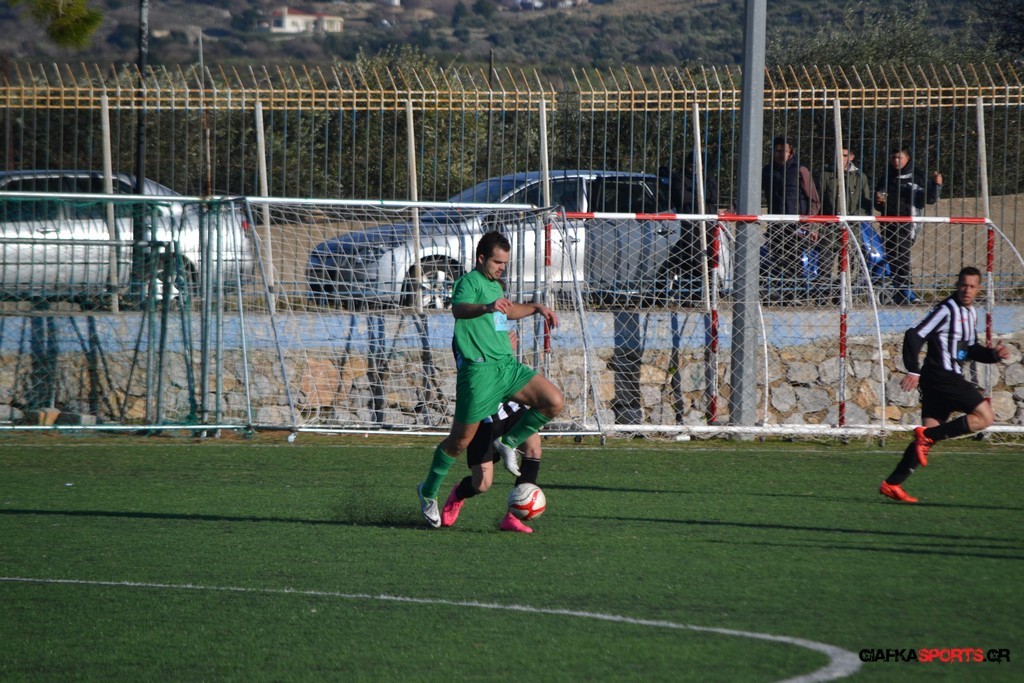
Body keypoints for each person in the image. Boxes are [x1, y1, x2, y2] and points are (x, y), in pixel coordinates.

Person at [417, 231, 564, 529]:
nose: (501, 268)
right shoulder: (468, 283)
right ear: (481, 258)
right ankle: (429, 490)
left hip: (507, 368)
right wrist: (486, 306)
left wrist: (535, 308)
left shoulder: (496, 286)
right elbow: (459, 309)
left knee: (554, 401)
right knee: (459, 442)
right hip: (480, 374)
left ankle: (508, 442)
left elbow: (506, 312)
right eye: (497, 262)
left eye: (505, 263)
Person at [879, 266, 1010, 503]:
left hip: (939, 380)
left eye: (972, 286)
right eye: (963, 285)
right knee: (985, 417)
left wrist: (993, 355)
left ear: (979, 289)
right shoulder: (946, 309)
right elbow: (914, 335)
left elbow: (969, 349)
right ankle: (927, 437)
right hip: (942, 376)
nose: (967, 290)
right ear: (957, 285)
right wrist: (913, 369)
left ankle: (893, 483)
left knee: (929, 433)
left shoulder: (971, 313)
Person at [440, 330, 545, 534]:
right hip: (482, 414)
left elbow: (505, 367)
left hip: (509, 405)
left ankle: (513, 516)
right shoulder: (464, 334)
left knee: (533, 447)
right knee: (482, 483)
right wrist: (501, 350)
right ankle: (458, 494)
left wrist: (503, 352)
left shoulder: (494, 324)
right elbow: (476, 368)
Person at [874, 144, 943, 305]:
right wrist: (878, 200)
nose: (896, 161)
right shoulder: (887, 177)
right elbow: (879, 203)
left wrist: (936, 185)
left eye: (900, 157)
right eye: (894, 157)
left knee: (902, 255)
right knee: (892, 256)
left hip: (908, 222)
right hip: (888, 222)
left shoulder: (917, 176)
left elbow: (930, 199)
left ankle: (907, 290)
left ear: (907, 159)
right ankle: (899, 291)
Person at [761, 136, 821, 298]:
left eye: (784, 151)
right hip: (775, 224)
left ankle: (794, 294)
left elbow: (814, 201)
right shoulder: (767, 171)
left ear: (791, 152)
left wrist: (808, 224)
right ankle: (779, 293)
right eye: (778, 151)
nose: (781, 154)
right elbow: (752, 192)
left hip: (797, 226)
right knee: (776, 258)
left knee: (794, 259)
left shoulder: (800, 170)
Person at [656, 151, 721, 301]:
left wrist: (698, 193)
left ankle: (706, 294)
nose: (694, 169)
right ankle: (691, 294)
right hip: (689, 225)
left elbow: (715, 196)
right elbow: (683, 197)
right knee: (694, 260)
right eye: (691, 165)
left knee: (708, 260)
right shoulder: (680, 178)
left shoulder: (708, 179)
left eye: (698, 165)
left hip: (708, 225)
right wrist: (702, 194)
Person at [817, 146, 873, 286]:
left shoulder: (860, 177)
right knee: (824, 264)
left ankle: (846, 291)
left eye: (844, 155)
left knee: (849, 266)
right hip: (830, 227)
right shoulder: (826, 175)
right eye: (838, 154)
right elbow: (819, 201)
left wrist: (853, 218)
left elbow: (865, 204)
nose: (840, 158)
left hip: (852, 228)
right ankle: (824, 292)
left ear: (851, 157)